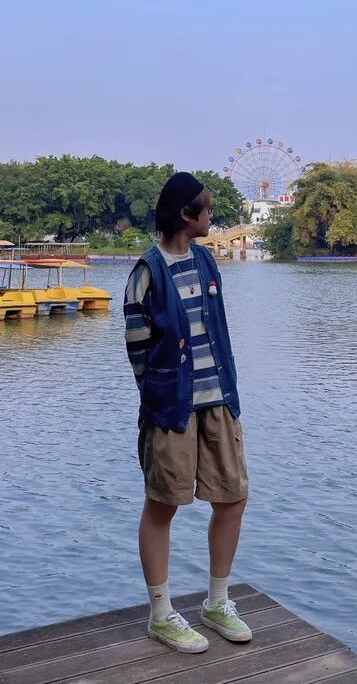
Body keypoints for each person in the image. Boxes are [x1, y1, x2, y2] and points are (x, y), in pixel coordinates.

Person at [123, 171, 250, 654]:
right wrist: (158, 395)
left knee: (233, 497)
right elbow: (137, 348)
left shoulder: (206, 261)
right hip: (171, 407)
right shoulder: (147, 271)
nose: (211, 216)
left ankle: (217, 602)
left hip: (218, 400)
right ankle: (161, 614)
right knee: (163, 503)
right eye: (207, 208)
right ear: (185, 214)